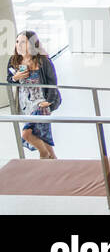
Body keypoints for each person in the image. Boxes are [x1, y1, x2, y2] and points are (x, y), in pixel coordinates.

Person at [7, 31, 60, 159]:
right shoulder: (14, 60)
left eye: (23, 42)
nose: (19, 45)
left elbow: (53, 82)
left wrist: (49, 101)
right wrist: (15, 78)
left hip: (41, 103)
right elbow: (9, 79)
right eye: (17, 41)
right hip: (26, 103)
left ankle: (44, 154)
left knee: (27, 134)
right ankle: (53, 160)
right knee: (41, 135)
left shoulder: (42, 61)